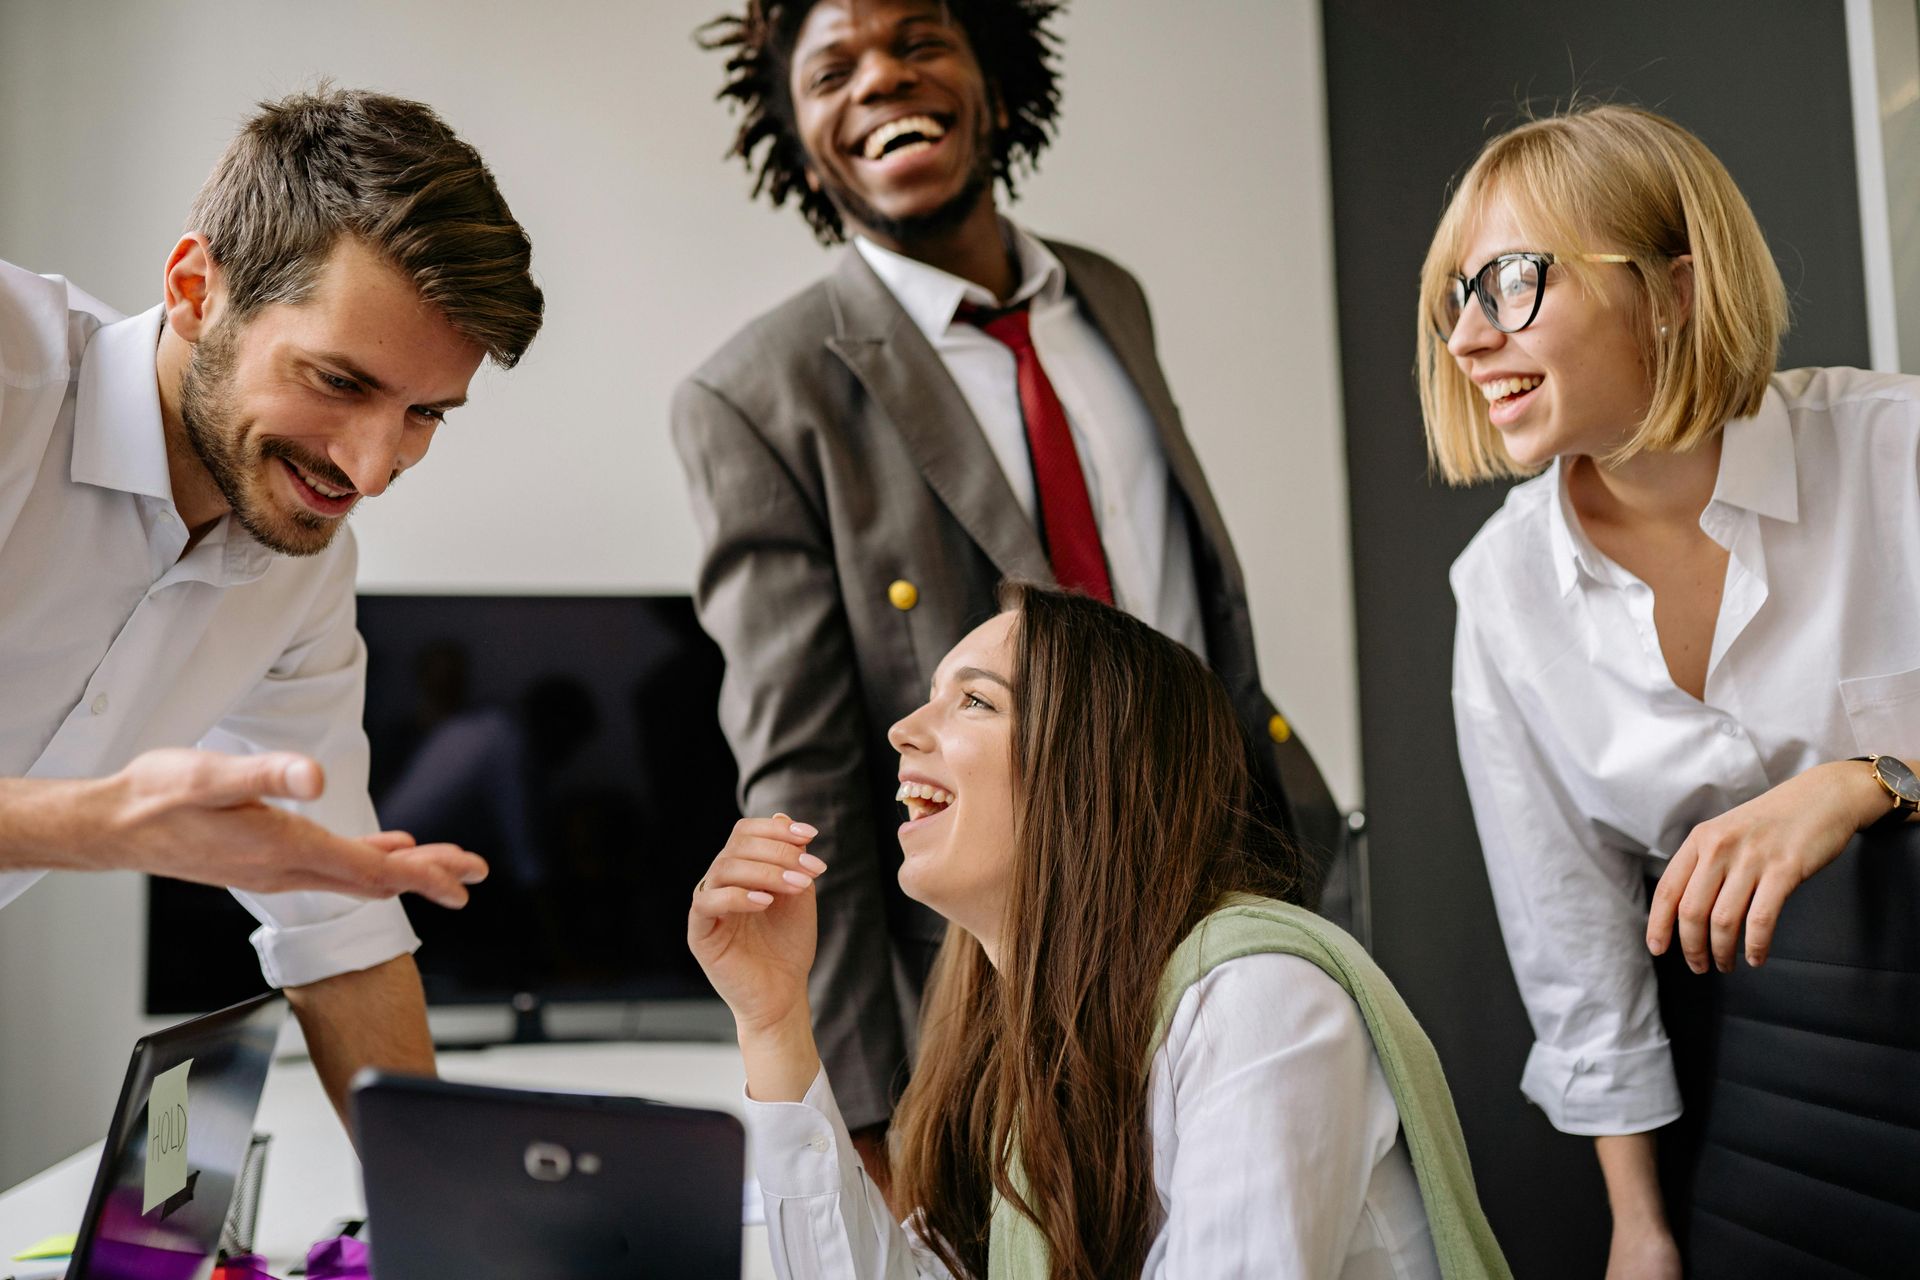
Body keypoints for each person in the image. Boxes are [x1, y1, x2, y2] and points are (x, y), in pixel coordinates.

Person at [674, 0, 1342, 1190]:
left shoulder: (1109, 297)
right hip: (1013, 975)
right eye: (834, 69)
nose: (883, 78)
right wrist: (869, 1114)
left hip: (1242, 884)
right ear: (792, 126)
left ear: (991, 74)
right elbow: (804, 772)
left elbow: (1190, 603)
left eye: (920, 41)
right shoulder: (759, 393)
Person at [1421, 103, 1920, 1276]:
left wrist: (1873, 777)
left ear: (1673, 288)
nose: (1465, 338)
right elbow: (1574, 946)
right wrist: (1639, 1227)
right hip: (1764, 1113)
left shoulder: (1897, 448)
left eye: (1510, 281)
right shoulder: (1500, 591)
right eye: (1455, 296)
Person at [688, 584, 1505, 1279]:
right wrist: (774, 1024)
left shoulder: (1258, 1003)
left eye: (973, 700)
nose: (904, 729)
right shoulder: (1014, 1063)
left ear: (1090, 770)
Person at [0, 85, 543, 1126]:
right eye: (338, 380)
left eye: (425, 412)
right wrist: (102, 825)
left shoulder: (301, 573)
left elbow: (341, 934)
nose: (373, 469)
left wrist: (450, 1218)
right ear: (199, 288)